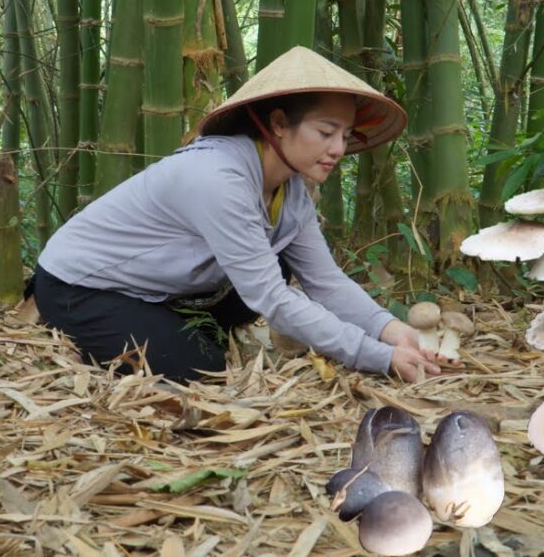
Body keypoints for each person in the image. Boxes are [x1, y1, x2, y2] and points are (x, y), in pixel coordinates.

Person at [33, 46, 442, 383]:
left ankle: (160, 326)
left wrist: (393, 331)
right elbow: (271, 299)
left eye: (345, 135)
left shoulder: (291, 190)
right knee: (202, 368)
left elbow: (326, 282)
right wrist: (376, 356)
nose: (337, 149)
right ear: (279, 123)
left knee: (277, 267)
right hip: (81, 286)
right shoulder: (218, 178)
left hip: (158, 288)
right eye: (325, 131)